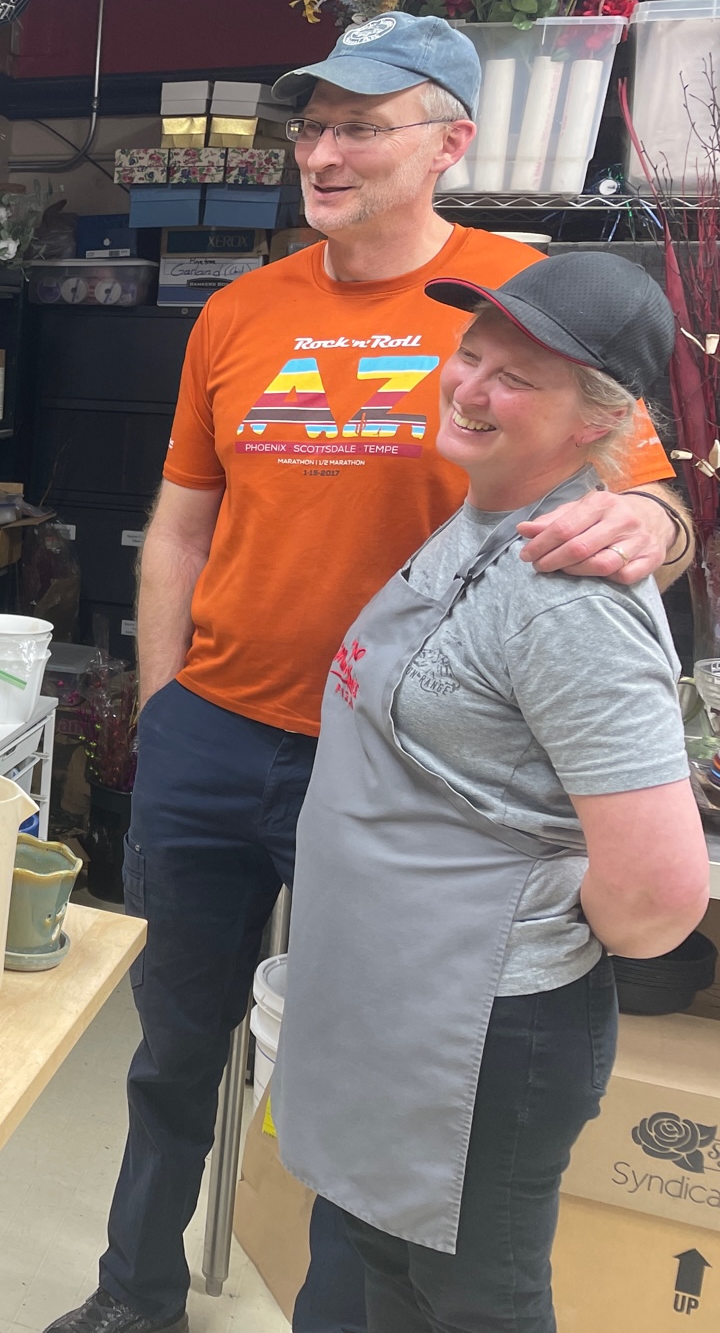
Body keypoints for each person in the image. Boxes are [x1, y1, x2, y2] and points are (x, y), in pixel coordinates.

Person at [46, 15, 693, 1333]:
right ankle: (135, 1294)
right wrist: (163, 712)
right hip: (218, 735)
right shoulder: (240, 311)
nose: (323, 152)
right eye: (313, 125)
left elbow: (626, 500)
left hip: (404, 787)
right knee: (176, 1043)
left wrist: (665, 526)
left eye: (361, 124)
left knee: (371, 1063)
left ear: (453, 141)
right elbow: (180, 525)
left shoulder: (515, 303)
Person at [273, 251, 712, 1332]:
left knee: (478, 1303)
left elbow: (659, 899)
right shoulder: (483, 519)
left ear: (592, 421)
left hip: (485, 1030)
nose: (470, 387)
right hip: (406, 999)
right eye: (470, 355)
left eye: (516, 376)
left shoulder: (571, 603)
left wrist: (521, 926)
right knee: (388, 1262)